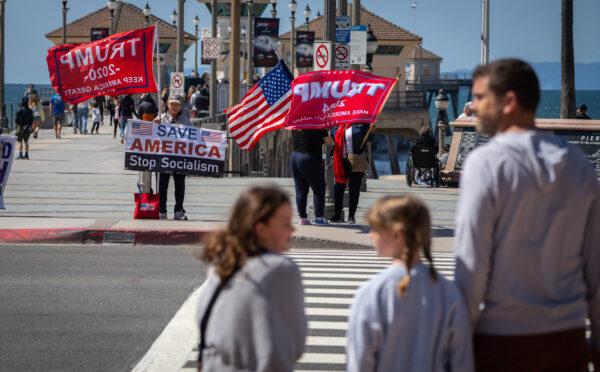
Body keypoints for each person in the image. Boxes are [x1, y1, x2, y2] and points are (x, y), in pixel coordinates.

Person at [454, 59, 600, 372]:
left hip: (502, 336)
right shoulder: (577, 165)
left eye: (481, 98)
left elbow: (472, 264)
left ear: (508, 102)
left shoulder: (486, 164)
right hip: (566, 337)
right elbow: (596, 264)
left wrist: (456, 342)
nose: (474, 107)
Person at [347, 195, 473, 372]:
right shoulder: (449, 292)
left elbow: (360, 362)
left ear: (396, 234)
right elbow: (461, 362)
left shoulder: (372, 292)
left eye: (375, 228)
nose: (371, 235)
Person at [197, 186, 306, 372]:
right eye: (286, 223)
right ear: (261, 229)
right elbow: (292, 345)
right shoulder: (281, 270)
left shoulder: (222, 264)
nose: (293, 230)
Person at [155, 93, 190, 220]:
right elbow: (152, 138)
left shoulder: (186, 121)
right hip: (163, 157)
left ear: (181, 106)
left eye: (177, 104)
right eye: (172, 104)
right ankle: (162, 211)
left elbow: (192, 139)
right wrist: (154, 125)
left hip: (180, 158)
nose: (174, 107)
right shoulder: (161, 118)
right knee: (162, 185)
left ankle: (178, 211)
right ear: (168, 105)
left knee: (179, 185)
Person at [330, 123, 373, 224]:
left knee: (354, 189)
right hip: (340, 160)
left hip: (356, 159)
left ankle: (351, 216)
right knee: (338, 188)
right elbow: (332, 139)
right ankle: (337, 215)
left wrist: (372, 130)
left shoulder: (361, 125)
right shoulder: (336, 126)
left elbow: (370, 139)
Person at [289, 129, 331, 225]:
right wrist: (326, 131)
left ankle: (302, 218)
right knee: (319, 187)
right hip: (308, 158)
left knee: (300, 189)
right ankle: (318, 217)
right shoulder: (318, 126)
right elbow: (329, 142)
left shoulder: (297, 126)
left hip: (294, 157)